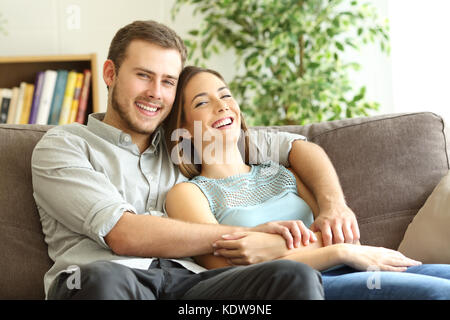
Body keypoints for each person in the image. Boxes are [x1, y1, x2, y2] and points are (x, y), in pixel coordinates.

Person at [31, 20, 333, 300]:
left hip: (190, 286)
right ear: (110, 74)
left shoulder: (185, 141)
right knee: (99, 279)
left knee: (292, 276)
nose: (155, 93)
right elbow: (122, 234)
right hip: (110, 279)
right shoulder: (65, 145)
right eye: (143, 76)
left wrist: (334, 206)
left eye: (168, 82)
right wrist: (251, 235)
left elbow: (293, 145)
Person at [164, 65, 450, 300]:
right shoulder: (188, 193)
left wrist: (276, 248)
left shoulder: (282, 172)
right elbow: (229, 273)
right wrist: (338, 251)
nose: (221, 105)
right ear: (184, 130)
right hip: (310, 287)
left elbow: (342, 235)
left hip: (356, 267)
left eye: (225, 95)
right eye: (202, 102)